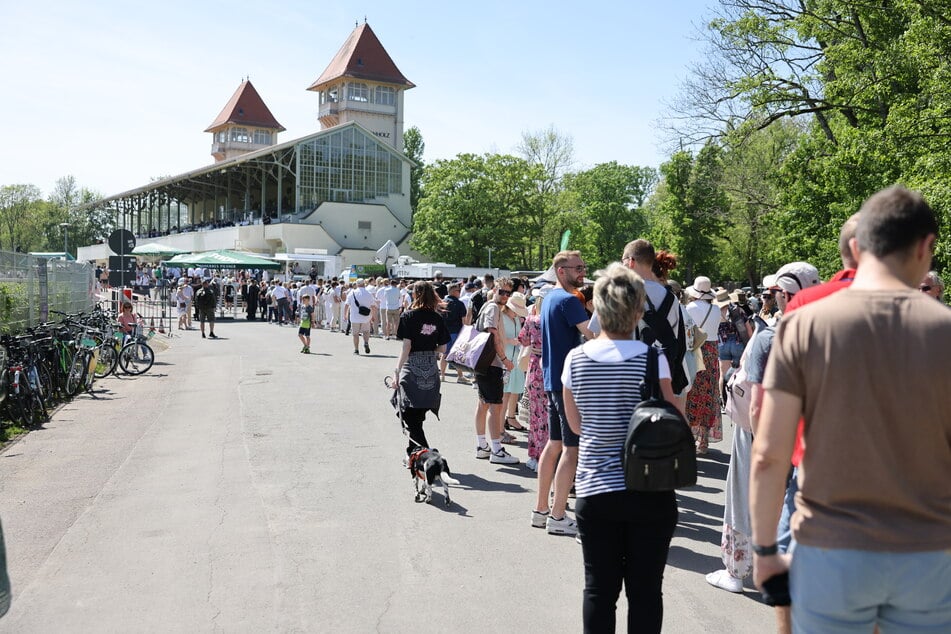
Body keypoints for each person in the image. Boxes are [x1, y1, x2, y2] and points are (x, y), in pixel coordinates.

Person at [750, 186, 951, 633]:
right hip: (929, 555)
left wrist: (764, 550)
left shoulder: (805, 324)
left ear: (857, 248)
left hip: (830, 550)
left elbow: (769, 453)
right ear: (924, 248)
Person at [562, 262, 680, 633]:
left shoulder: (575, 359)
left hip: (596, 487)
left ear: (597, 308)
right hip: (649, 487)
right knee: (646, 592)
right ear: (639, 309)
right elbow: (675, 418)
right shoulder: (652, 358)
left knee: (599, 590)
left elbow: (576, 425)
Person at [533, 251, 593, 536]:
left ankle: (541, 509)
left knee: (554, 444)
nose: (582, 272)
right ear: (560, 271)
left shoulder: (549, 299)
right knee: (572, 448)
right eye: (578, 268)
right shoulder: (569, 300)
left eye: (583, 267)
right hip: (568, 384)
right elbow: (593, 336)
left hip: (552, 380)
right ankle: (557, 516)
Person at [393, 281, 450, 456]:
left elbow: (407, 347)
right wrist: (429, 349)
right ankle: (413, 451)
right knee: (417, 415)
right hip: (431, 369)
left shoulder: (408, 316)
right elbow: (443, 348)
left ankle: (425, 451)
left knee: (407, 413)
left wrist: (397, 370)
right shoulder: (437, 317)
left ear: (415, 294)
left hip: (412, 367)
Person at [472, 278, 520, 465]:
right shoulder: (492, 308)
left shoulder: (487, 306)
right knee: (495, 405)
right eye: (502, 292)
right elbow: (492, 333)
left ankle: (482, 445)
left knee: (484, 403)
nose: (505, 296)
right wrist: (505, 359)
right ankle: (496, 450)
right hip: (491, 363)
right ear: (494, 289)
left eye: (508, 293)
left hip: (483, 362)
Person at [683, 276, 722, 454]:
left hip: (696, 351)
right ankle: (704, 441)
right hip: (712, 352)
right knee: (709, 394)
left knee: (692, 393)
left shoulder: (689, 308)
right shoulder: (716, 309)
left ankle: (690, 437)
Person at [518, 285, 551, 473]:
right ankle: (551, 455)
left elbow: (523, 340)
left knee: (536, 416)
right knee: (551, 416)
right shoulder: (556, 321)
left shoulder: (532, 320)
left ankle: (537, 455)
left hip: (535, 368)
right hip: (553, 368)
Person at [501, 292, 529, 434]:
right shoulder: (501, 317)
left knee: (515, 390)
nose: (517, 314)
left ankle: (510, 417)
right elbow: (495, 338)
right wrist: (509, 341)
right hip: (505, 360)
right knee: (505, 393)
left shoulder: (516, 319)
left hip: (516, 358)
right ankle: (500, 427)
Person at [438, 282, 470, 383]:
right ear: (453, 291)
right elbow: (463, 320)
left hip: (444, 332)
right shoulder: (459, 304)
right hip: (456, 332)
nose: (460, 292)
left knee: (444, 354)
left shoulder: (442, 303)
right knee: (457, 355)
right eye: (458, 290)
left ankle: (442, 375)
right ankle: (460, 376)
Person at [346, 278, 376, 355]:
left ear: (357, 284)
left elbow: (347, 305)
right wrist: (373, 315)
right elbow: (373, 306)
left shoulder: (352, 293)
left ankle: (356, 350)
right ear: (364, 284)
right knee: (366, 331)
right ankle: (366, 342)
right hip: (366, 316)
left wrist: (346, 314)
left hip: (354, 316)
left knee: (355, 334)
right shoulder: (368, 293)